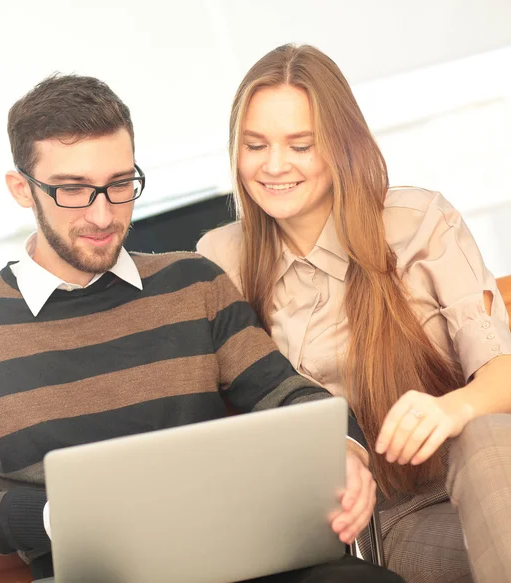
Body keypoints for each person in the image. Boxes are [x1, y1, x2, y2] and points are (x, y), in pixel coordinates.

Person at [0, 74, 404, 583]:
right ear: (22, 190)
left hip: (241, 557)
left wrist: (343, 452)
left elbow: (293, 396)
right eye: (74, 190)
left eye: (120, 185)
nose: (103, 215)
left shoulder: (194, 282)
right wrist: (47, 517)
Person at [196, 43, 511, 583]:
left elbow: (501, 370)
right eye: (255, 145)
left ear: (341, 146)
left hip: (492, 469)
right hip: (396, 517)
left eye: (301, 145)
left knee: (483, 436)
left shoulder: (419, 222)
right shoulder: (220, 261)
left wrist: (452, 410)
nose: (274, 166)